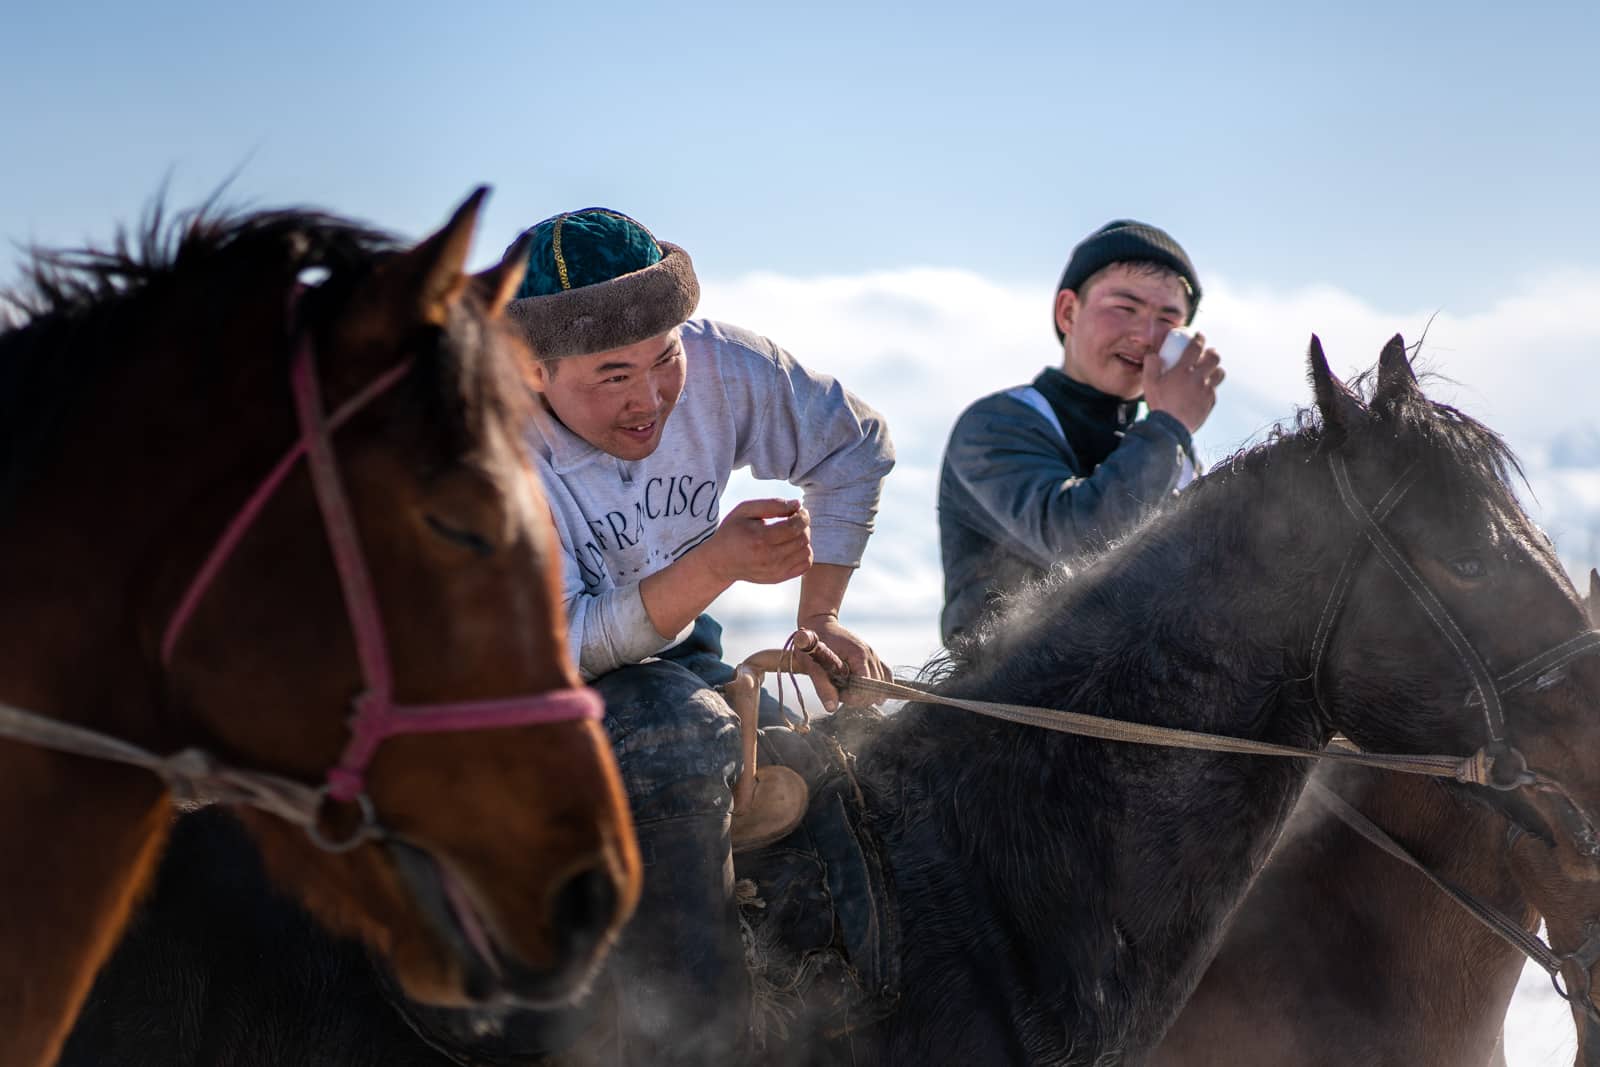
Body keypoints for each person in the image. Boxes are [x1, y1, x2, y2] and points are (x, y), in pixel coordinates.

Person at [503, 207, 895, 1064]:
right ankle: (683, 1046)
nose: (650, 397)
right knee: (676, 739)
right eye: (612, 375)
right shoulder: (492, 451)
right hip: (520, 697)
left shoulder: (719, 362)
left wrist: (818, 614)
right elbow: (561, 646)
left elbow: (853, 444)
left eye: (665, 357)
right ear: (533, 369)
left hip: (680, 660)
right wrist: (718, 561)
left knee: (838, 772)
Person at [937, 219, 1224, 644]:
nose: (1145, 335)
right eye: (1125, 308)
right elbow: (1080, 545)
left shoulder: (1174, 453)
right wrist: (1170, 425)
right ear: (1068, 312)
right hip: (1008, 697)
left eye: (1167, 319)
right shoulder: (996, 425)